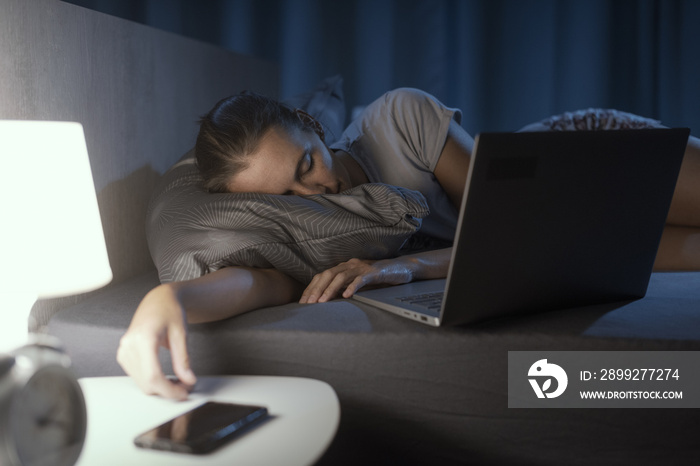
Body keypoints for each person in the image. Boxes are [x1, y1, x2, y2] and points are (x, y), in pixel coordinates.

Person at [117, 89, 700, 400]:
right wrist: (169, 302)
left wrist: (404, 267)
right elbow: (260, 281)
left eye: (306, 162)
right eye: (289, 194)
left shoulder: (396, 120)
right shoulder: (313, 232)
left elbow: (520, 232)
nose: (317, 190)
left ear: (311, 123)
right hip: (580, 242)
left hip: (577, 166)